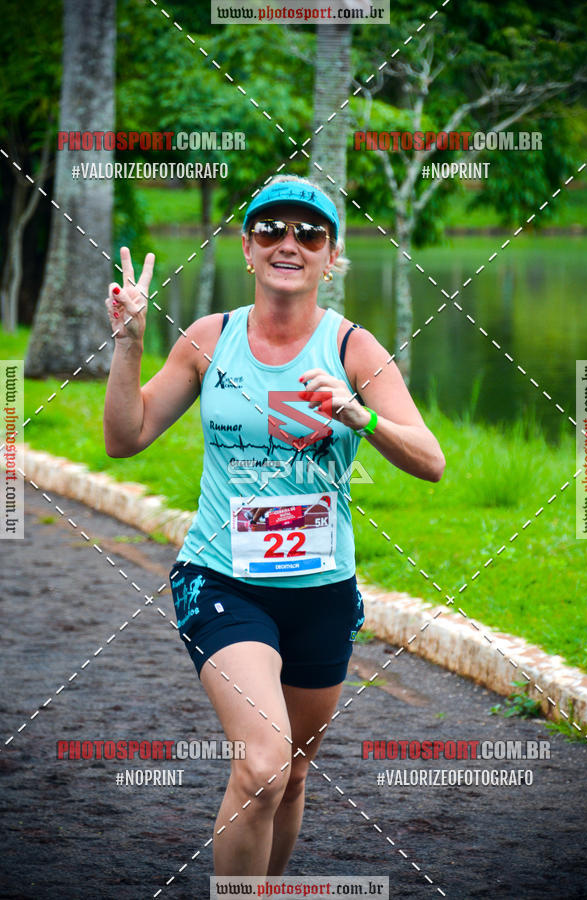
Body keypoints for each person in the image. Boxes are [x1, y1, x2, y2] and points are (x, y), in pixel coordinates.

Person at [103, 175, 445, 876]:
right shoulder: (210, 339)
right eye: (271, 231)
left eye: (309, 234)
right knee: (260, 763)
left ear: (331, 257)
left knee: (290, 772)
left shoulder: (353, 348)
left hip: (322, 589)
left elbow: (432, 460)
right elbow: (125, 437)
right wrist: (130, 341)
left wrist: (361, 416)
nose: (289, 244)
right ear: (248, 249)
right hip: (223, 578)